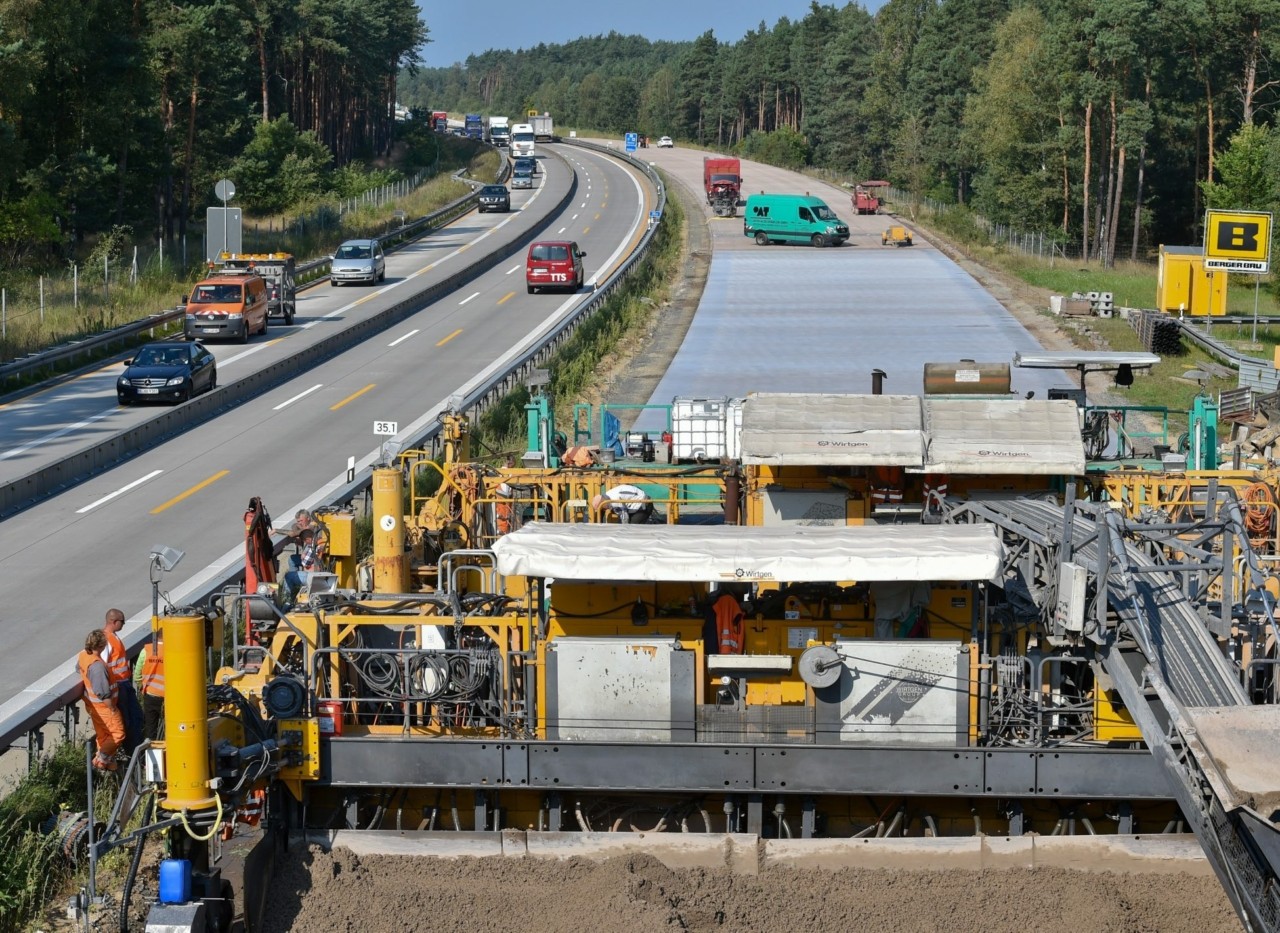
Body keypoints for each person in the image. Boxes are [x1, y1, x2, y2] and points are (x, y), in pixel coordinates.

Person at [77, 629, 125, 772]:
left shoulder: (84, 655)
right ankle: (99, 761)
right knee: (117, 734)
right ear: (102, 646)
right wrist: (112, 708)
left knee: (104, 735)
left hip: (94, 706)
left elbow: (78, 669)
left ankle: (108, 767)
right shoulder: (97, 666)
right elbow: (102, 692)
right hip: (104, 707)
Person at [102, 609, 142, 754]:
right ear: (114, 621)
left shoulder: (113, 637)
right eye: (122, 622)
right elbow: (102, 666)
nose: (124, 624)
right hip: (118, 686)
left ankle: (135, 751)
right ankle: (132, 753)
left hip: (123, 684)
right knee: (128, 721)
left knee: (136, 717)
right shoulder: (106, 640)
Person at [134, 633, 165, 742]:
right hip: (170, 697)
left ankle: (150, 754)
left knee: (150, 729)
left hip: (150, 695)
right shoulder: (173, 651)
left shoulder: (146, 651)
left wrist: (143, 689)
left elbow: (137, 675)